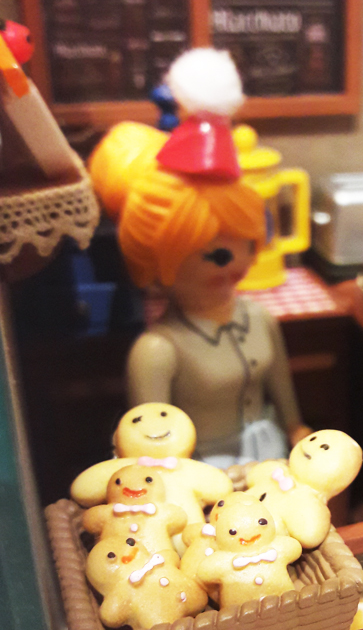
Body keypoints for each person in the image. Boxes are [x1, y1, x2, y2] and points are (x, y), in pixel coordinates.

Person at [88, 48, 311, 467]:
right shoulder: (157, 350)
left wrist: (299, 433)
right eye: (209, 252)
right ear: (157, 260)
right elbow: (149, 456)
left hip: (272, 462)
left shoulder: (259, 319)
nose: (233, 262)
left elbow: (287, 404)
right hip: (203, 474)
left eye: (245, 244)